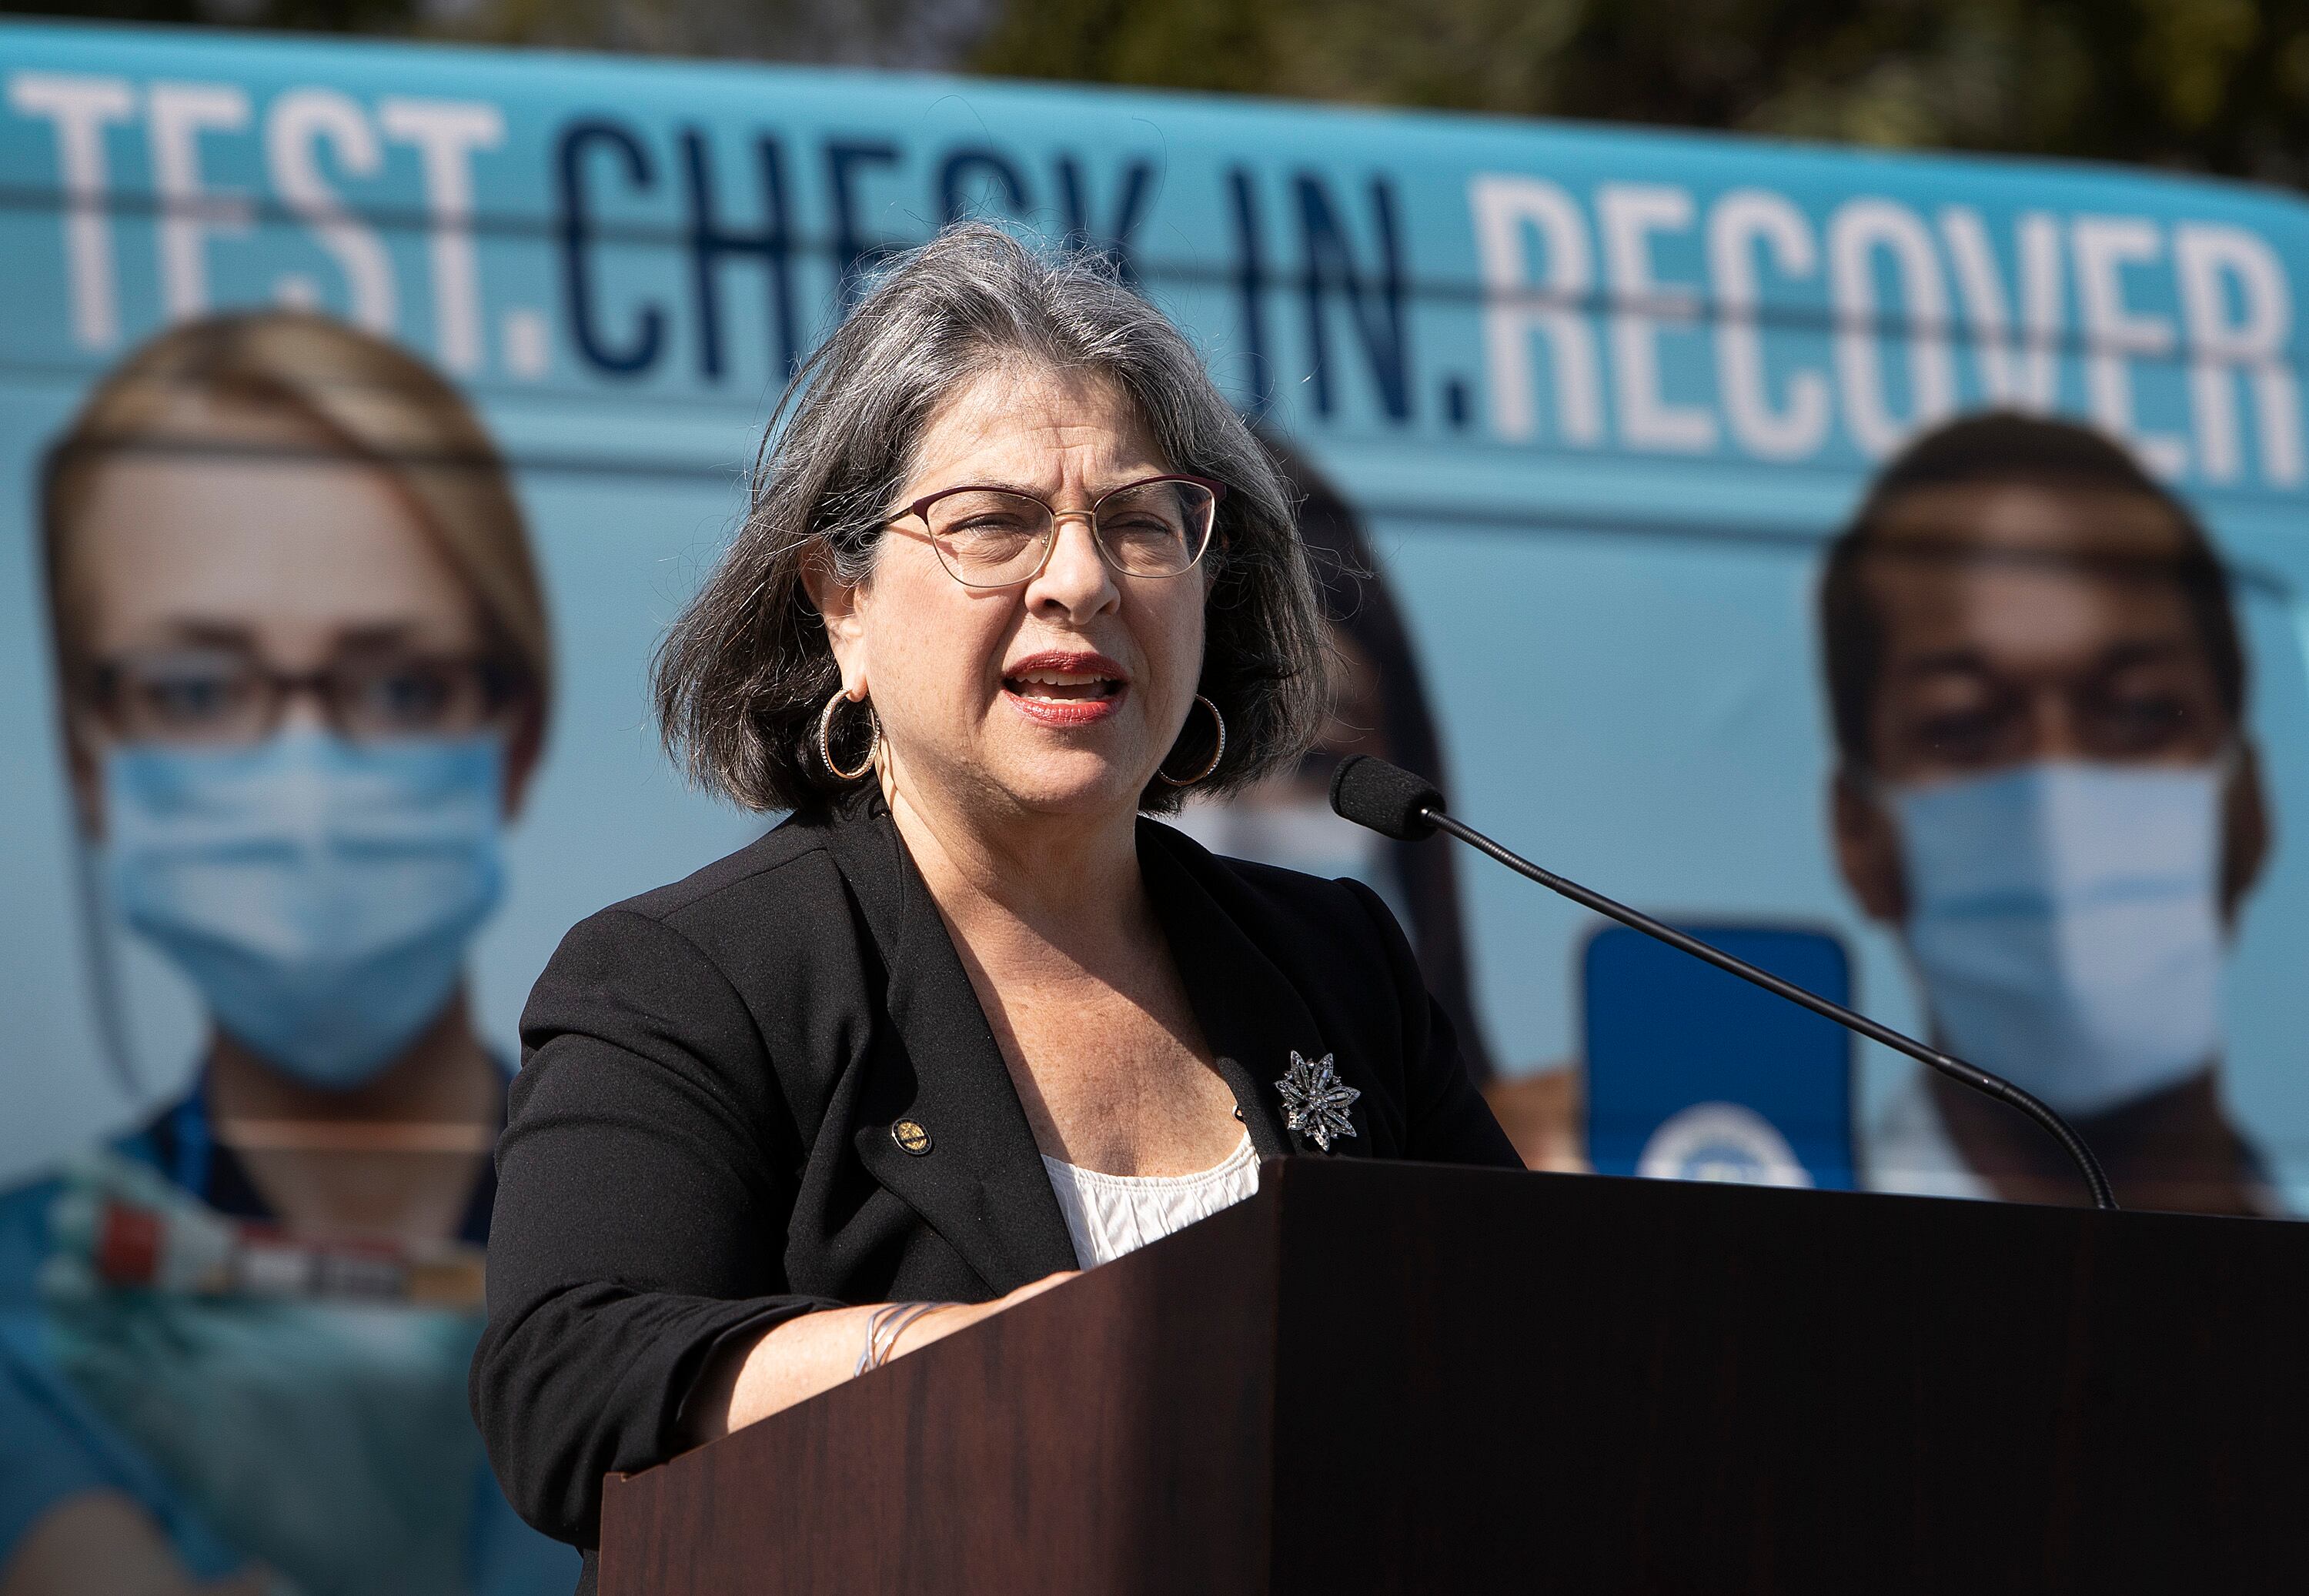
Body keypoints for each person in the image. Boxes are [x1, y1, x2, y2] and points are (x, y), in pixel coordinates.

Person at [472, 222, 1523, 1584]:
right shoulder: (690, 975)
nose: (1080, 580)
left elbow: (1519, 1352)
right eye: (993, 522)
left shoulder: (1337, 963)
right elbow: (566, 1380)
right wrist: (968, 1359)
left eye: (1140, 523)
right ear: (841, 604)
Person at [0, 310, 578, 1594]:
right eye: (197, 690)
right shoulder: (33, 1296)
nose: (306, 787)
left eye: (402, 686)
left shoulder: (671, 1235)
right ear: (89, 756)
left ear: (517, 731)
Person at [1817, 411, 2282, 1215]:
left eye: (2140, 711)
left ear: (2248, 806)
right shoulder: (1773, 1267)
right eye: (1965, 725)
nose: (2056, 812)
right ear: (1859, 836)